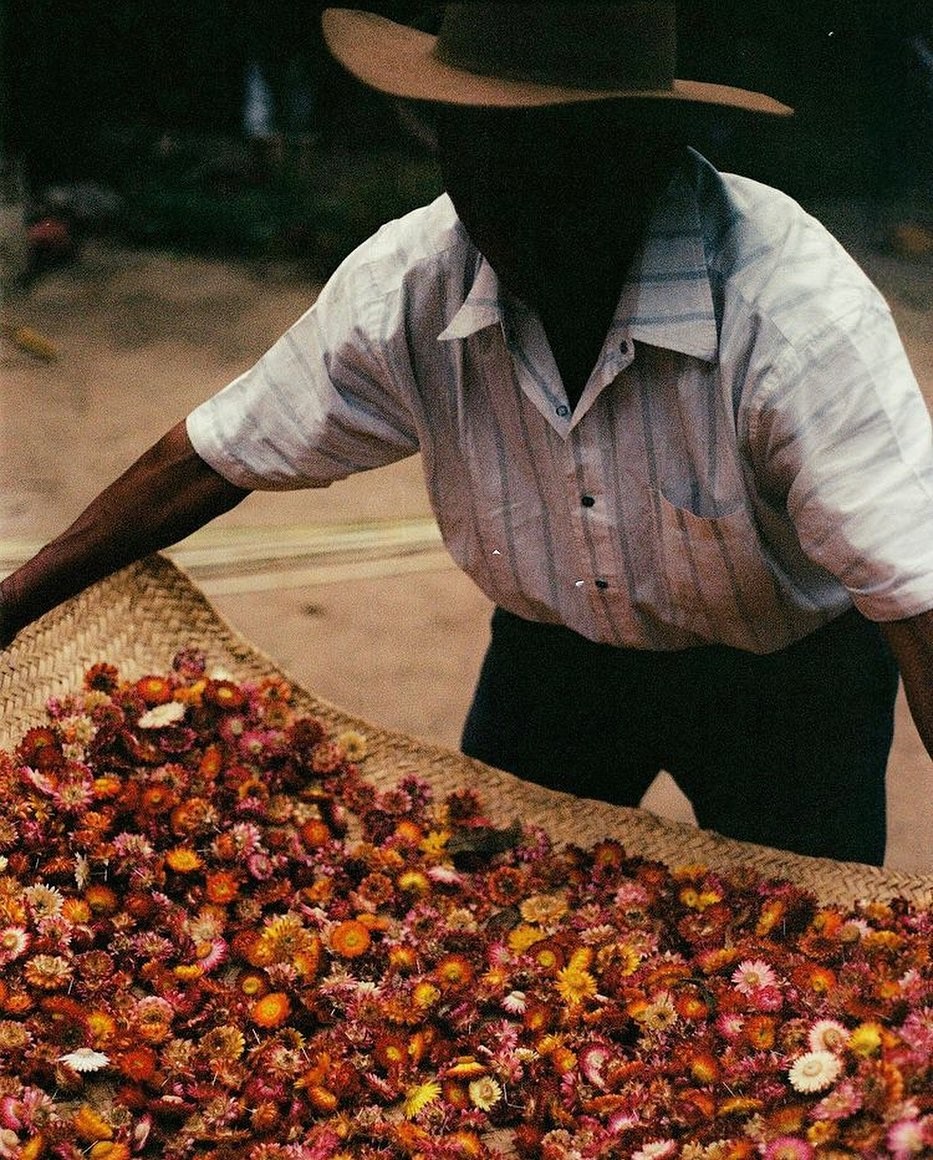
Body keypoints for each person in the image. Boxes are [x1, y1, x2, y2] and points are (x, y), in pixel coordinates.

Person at [2, 3, 931, 865]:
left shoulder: (791, 312)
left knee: (819, 957)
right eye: (470, 147)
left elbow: (917, 598)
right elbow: (207, 457)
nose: (496, 195)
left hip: (784, 685)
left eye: (549, 153)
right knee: (482, 928)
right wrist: (12, 607)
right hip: (554, 664)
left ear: (640, 151)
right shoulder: (414, 277)